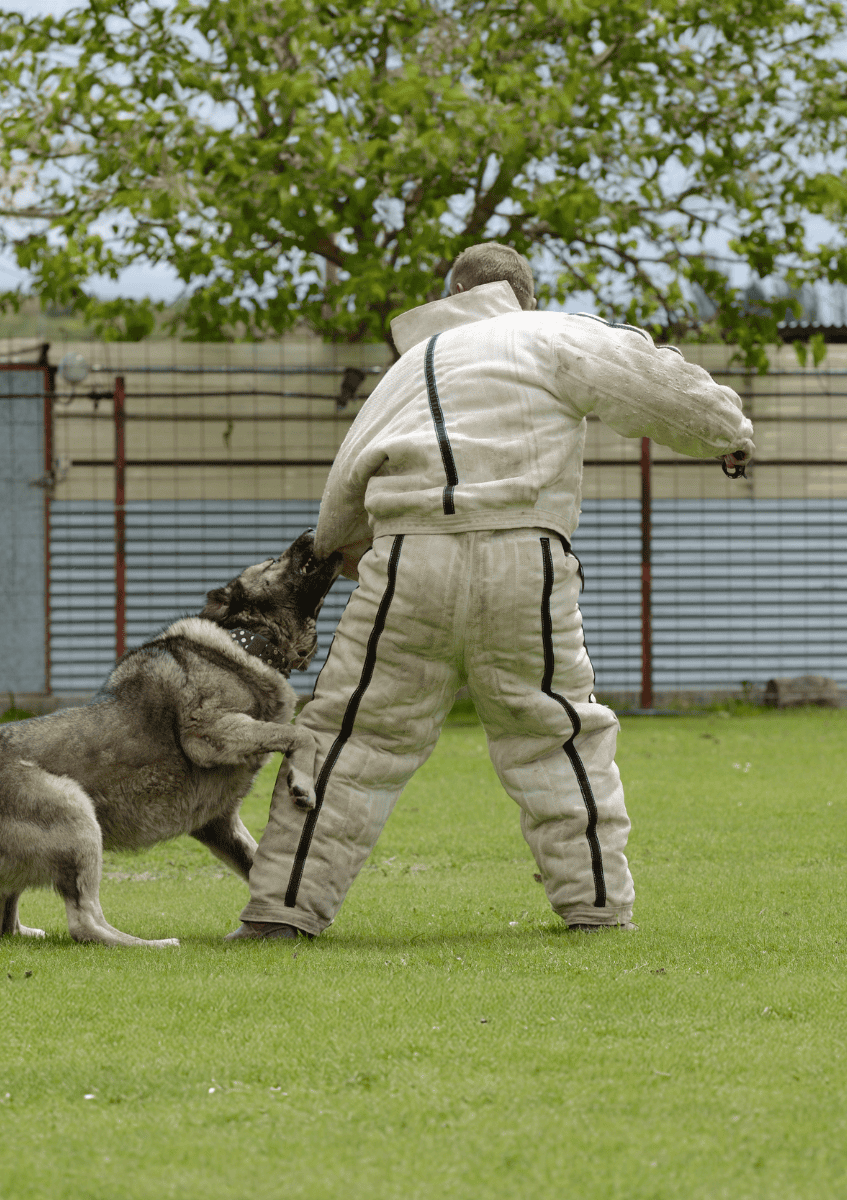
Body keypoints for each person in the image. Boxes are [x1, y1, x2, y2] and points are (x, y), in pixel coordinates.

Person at [227, 242, 755, 940]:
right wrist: (728, 433)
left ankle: (281, 914)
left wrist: (344, 554)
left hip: (408, 557)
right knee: (557, 735)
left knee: (354, 737)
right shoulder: (555, 333)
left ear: (454, 291)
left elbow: (346, 484)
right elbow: (653, 381)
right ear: (523, 294)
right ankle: (596, 909)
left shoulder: (409, 367)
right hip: (526, 556)